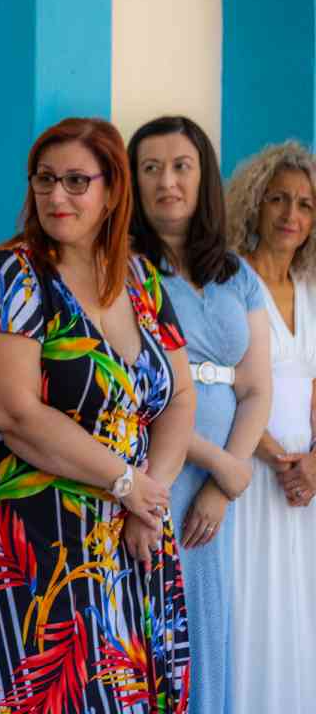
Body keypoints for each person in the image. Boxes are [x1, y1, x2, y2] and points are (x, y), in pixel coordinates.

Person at [0, 118, 195, 712]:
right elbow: (13, 413)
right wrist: (126, 483)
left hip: (126, 535)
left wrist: (149, 498)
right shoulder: (11, 273)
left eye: (77, 181)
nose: (57, 194)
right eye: (45, 179)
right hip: (29, 547)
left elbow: (180, 397)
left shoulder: (141, 279)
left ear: (112, 190)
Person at [127, 116, 271, 714]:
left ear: (203, 176)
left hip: (217, 491)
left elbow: (257, 388)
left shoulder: (238, 274)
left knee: (210, 620)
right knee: (155, 625)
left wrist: (223, 483)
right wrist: (222, 465)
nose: (167, 182)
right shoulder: (125, 270)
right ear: (132, 181)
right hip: (157, 470)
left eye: (181, 166)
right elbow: (139, 392)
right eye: (151, 168)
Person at [226, 141, 316, 711]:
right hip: (252, 478)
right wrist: (272, 454)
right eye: (278, 199)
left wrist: (312, 465)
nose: (291, 215)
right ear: (255, 202)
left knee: (300, 615)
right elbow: (218, 383)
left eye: (305, 204)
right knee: (252, 609)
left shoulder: (311, 289)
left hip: (304, 488)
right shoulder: (232, 280)